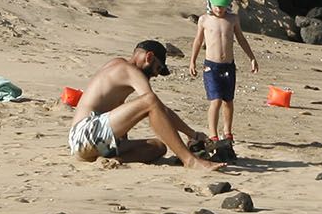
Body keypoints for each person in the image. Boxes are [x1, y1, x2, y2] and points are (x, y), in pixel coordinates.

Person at [67, 40, 223, 171]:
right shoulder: (129, 71)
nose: (155, 75)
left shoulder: (115, 64)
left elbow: (115, 106)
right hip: (85, 133)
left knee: (158, 147)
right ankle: (190, 161)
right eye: (158, 68)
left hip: (85, 142)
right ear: (149, 57)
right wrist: (192, 134)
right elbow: (156, 106)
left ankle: (115, 159)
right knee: (150, 101)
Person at [187, 0, 259, 156]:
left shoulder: (232, 19)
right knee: (216, 100)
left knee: (228, 101)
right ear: (209, 3)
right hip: (211, 66)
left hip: (229, 66)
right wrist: (192, 61)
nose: (220, 9)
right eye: (217, 6)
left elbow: (241, 39)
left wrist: (252, 58)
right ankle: (213, 135)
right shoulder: (204, 20)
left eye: (224, 6)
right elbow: (198, 41)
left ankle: (227, 131)